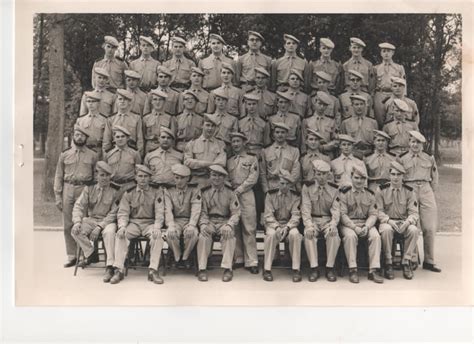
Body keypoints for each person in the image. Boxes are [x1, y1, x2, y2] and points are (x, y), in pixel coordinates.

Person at [109, 164, 166, 285]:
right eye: (140, 176)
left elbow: (160, 212)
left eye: (146, 176)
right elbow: (123, 212)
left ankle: (153, 270)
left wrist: (157, 227)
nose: (143, 179)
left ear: (150, 178)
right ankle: (119, 270)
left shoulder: (156, 192)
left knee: (158, 237)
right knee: (121, 235)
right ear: (135, 177)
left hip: (149, 223)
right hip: (134, 223)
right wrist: (122, 226)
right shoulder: (128, 193)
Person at [54, 125, 98, 267]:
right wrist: (58, 196)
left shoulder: (93, 155)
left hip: (84, 189)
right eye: (77, 134)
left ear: (86, 138)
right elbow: (58, 176)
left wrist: (93, 194)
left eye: (82, 135)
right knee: (68, 224)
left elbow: (96, 176)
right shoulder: (65, 154)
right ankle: (72, 255)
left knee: (82, 223)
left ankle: (84, 255)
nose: (79, 137)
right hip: (68, 188)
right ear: (74, 136)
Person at [398, 130, 441, 273]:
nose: (415, 145)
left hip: (426, 189)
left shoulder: (429, 158)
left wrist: (429, 191)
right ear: (409, 143)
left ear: (423, 144)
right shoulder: (402, 158)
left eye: (418, 142)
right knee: (413, 226)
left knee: (429, 227)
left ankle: (429, 260)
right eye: (412, 141)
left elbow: (434, 176)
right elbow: (399, 177)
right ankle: (412, 259)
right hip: (410, 190)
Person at [71, 161, 120, 282]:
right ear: (96, 175)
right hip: (91, 219)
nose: (104, 178)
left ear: (110, 177)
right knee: (75, 230)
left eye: (107, 175)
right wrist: (77, 222)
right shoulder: (89, 188)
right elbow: (78, 206)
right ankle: (91, 254)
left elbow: (113, 213)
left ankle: (109, 267)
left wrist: (100, 226)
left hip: (107, 221)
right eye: (102, 175)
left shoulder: (116, 191)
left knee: (109, 233)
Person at [338, 166, 384, 284]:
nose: (359, 181)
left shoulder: (370, 194)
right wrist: (355, 228)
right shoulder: (344, 194)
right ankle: (353, 270)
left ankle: (373, 270)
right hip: (349, 224)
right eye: (356, 178)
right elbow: (342, 215)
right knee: (350, 237)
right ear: (351, 177)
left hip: (365, 223)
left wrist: (367, 227)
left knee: (375, 236)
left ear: (365, 180)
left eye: (362, 179)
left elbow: (373, 214)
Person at [375, 161, 419, 280]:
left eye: (398, 175)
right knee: (387, 230)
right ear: (389, 175)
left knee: (414, 230)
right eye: (393, 174)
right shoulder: (381, 190)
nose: (395, 177)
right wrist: (389, 221)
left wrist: (407, 222)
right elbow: (378, 211)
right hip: (388, 222)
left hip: (403, 221)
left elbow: (414, 212)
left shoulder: (409, 191)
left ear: (403, 176)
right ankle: (388, 262)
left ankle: (406, 261)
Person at [196, 165, 241, 282]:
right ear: (210, 176)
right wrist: (203, 224)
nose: (216, 178)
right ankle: (202, 269)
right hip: (209, 221)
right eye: (214, 175)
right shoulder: (204, 192)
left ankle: (227, 268)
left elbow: (236, 213)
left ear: (224, 178)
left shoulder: (231, 193)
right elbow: (202, 212)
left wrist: (229, 224)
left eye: (220, 176)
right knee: (203, 236)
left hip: (224, 221)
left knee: (229, 235)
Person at [301, 160, 340, 282]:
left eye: (324, 174)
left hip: (327, 220)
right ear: (314, 174)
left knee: (334, 235)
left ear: (328, 175)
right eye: (319, 174)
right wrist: (308, 225)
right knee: (309, 235)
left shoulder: (334, 189)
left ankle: (329, 267)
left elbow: (336, 210)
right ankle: (314, 268)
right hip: (312, 219)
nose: (321, 177)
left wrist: (333, 224)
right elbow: (305, 208)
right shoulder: (307, 187)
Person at [226, 132, 259, 274]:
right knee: (235, 227)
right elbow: (226, 176)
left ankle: (252, 261)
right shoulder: (230, 161)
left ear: (244, 142)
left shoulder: (252, 159)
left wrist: (240, 189)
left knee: (249, 227)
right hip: (232, 195)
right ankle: (238, 258)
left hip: (246, 194)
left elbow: (253, 178)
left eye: (238, 141)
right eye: (233, 141)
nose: (235, 144)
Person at [262, 170, 302, 282]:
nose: (284, 186)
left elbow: (295, 215)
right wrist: (277, 227)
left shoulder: (295, 197)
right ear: (278, 183)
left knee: (295, 235)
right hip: (273, 224)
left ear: (290, 185)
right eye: (282, 183)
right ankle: (267, 269)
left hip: (289, 224)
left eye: (287, 184)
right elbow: (268, 215)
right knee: (270, 235)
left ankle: (296, 269)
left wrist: (288, 227)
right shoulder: (270, 195)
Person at [163, 164, 202, 269]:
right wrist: (170, 225)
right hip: (175, 221)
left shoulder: (194, 190)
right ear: (173, 178)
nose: (179, 181)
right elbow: (167, 210)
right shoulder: (168, 191)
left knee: (193, 234)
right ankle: (177, 256)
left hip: (188, 220)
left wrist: (192, 225)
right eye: (176, 178)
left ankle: (186, 257)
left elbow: (196, 208)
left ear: (188, 179)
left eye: (182, 178)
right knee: (170, 234)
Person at [183, 114, 227, 187]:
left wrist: (198, 164)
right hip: (197, 180)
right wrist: (208, 163)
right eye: (207, 125)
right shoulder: (192, 143)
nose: (210, 128)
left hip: (214, 181)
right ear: (202, 126)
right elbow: (187, 162)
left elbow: (222, 162)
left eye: (213, 126)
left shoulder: (220, 144)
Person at [261, 122, 300, 193]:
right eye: (277, 132)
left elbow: (296, 172)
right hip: (272, 187)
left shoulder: (294, 151)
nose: (280, 135)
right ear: (273, 134)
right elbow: (263, 173)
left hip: (289, 187)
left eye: (283, 132)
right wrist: (266, 190)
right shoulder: (266, 151)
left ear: (287, 134)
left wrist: (287, 186)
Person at [102, 88, 144, 156]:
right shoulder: (111, 119)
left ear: (130, 102)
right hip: (114, 151)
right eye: (120, 99)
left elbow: (140, 140)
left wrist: (139, 155)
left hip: (131, 151)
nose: (122, 101)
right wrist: (106, 156)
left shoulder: (136, 118)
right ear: (116, 102)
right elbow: (106, 140)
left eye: (125, 99)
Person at [373, 42, 406, 127]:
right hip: (380, 95)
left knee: (392, 118)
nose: (386, 53)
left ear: (393, 53)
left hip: (393, 95)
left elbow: (403, 84)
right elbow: (372, 84)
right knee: (379, 119)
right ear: (381, 53)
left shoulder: (399, 68)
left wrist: (402, 98)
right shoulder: (376, 68)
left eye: (388, 51)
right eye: (384, 51)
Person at [104, 125, 142, 197]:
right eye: (117, 137)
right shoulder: (108, 153)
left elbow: (138, 170)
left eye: (123, 136)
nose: (120, 139)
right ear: (114, 139)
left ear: (127, 138)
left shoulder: (134, 153)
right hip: (112, 185)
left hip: (129, 186)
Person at [340, 94, 378, 159]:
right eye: (356, 104)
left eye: (361, 104)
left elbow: (376, 141)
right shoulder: (346, 123)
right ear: (352, 106)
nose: (359, 107)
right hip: (353, 153)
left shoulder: (373, 122)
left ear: (365, 106)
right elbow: (342, 142)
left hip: (369, 153)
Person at [302, 91, 338, 157]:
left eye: (324, 105)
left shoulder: (331, 121)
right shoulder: (307, 121)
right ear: (315, 103)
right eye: (319, 104)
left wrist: (327, 146)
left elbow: (336, 140)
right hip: (311, 154)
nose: (321, 107)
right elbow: (303, 141)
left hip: (327, 154)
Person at [142, 89, 178, 153]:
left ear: (164, 102)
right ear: (151, 102)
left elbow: (173, 139)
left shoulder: (170, 118)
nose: (157, 102)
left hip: (165, 148)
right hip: (150, 147)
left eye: (160, 100)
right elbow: (142, 138)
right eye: (155, 99)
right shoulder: (146, 118)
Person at [75, 91, 108, 158]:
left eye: (93, 101)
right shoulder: (80, 120)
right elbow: (76, 138)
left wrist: (104, 156)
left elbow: (106, 141)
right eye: (88, 101)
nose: (91, 104)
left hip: (98, 151)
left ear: (98, 103)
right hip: (84, 151)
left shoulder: (105, 120)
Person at [208, 88, 239, 154]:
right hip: (211, 148)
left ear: (227, 102)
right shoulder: (210, 118)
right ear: (215, 102)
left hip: (227, 148)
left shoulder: (233, 119)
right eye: (218, 100)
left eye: (223, 100)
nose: (221, 102)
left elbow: (234, 138)